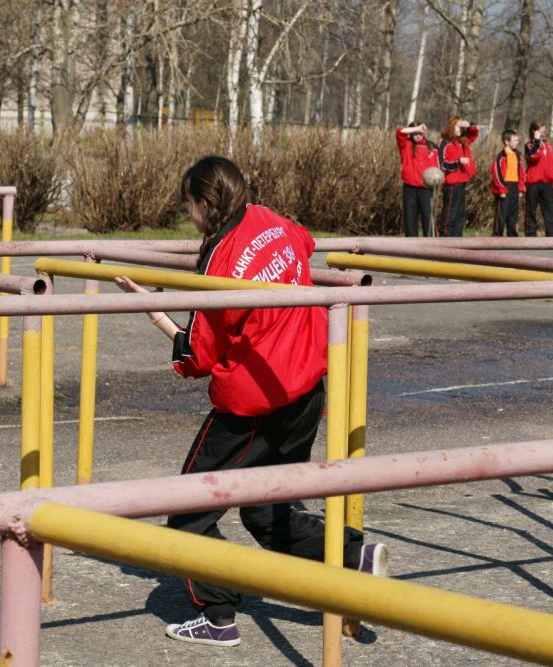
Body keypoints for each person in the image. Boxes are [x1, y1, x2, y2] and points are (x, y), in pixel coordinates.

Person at [115, 155, 387, 648]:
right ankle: (354, 558)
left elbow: (198, 356)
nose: (189, 216)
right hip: (305, 388)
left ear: (205, 203)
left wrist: (152, 311)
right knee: (266, 512)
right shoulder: (269, 219)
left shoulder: (219, 261)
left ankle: (219, 616)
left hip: (252, 405)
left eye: (189, 205)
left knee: (187, 511)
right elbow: (305, 242)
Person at [396, 122, 441, 237]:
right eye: (415, 133)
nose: (417, 136)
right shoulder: (406, 144)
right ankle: (411, 243)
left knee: (428, 217)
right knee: (410, 218)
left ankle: (430, 242)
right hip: (410, 187)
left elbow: (437, 166)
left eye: (420, 133)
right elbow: (400, 132)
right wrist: (416, 128)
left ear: (424, 133)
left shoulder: (432, 147)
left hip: (426, 188)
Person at [437, 116, 479, 236]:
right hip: (451, 183)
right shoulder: (445, 143)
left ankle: (457, 235)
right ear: (451, 127)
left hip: (462, 181)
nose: (461, 129)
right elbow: (442, 164)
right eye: (458, 126)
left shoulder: (462, 141)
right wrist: (458, 162)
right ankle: (445, 234)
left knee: (460, 213)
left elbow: (473, 134)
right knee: (450, 211)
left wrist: (469, 125)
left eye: (462, 127)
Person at [523, 121, 553, 237]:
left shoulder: (548, 146)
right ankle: (530, 235)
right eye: (541, 131)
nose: (544, 133)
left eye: (544, 131)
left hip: (546, 183)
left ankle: (552, 236)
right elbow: (534, 156)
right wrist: (537, 141)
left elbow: (552, 164)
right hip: (533, 184)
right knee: (531, 211)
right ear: (534, 132)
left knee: (551, 211)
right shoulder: (529, 145)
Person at [490, 129, 526, 237]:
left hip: (514, 186)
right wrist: (501, 189)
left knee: (513, 213)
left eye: (517, 140)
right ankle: (497, 234)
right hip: (504, 187)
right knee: (502, 213)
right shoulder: (501, 156)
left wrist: (520, 188)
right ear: (506, 141)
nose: (517, 142)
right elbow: (496, 173)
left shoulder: (517, 155)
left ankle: (512, 235)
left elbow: (521, 173)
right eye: (514, 140)